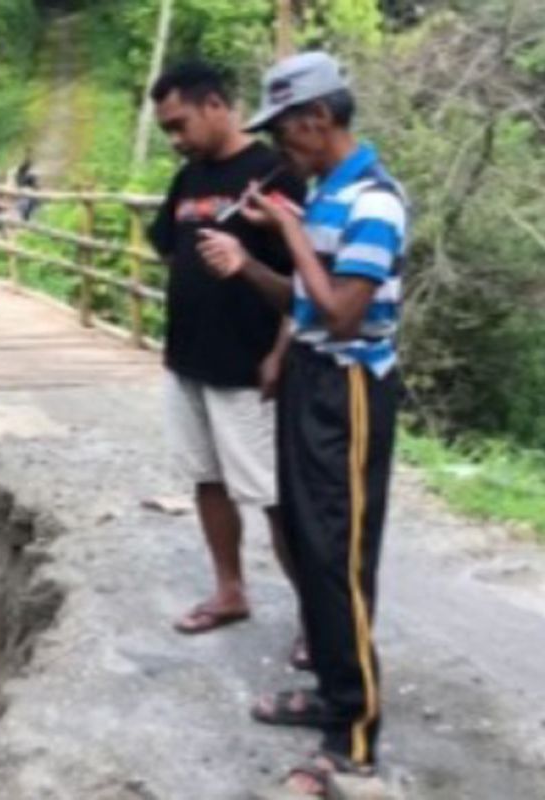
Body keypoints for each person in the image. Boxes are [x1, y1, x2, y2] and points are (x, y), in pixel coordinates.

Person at [197, 52, 409, 794]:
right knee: (312, 544)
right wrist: (254, 258)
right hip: (313, 376)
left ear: (318, 120)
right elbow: (308, 300)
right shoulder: (326, 195)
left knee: (339, 554)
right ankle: (330, 688)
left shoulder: (373, 202)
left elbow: (346, 312)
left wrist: (284, 233)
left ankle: (353, 739)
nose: (280, 147)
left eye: (285, 131)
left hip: (349, 385)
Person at [147, 62, 307, 651]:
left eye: (180, 123)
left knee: (270, 495)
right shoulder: (189, 175)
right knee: (206, 478)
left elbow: (308, 274)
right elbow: (170, 247)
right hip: (186, 359)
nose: (176, 138)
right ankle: (229, 589)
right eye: (167, 129)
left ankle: (316, 618)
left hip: (248, 368)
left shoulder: (274, 174)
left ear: (216, 104)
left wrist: (280, 348)